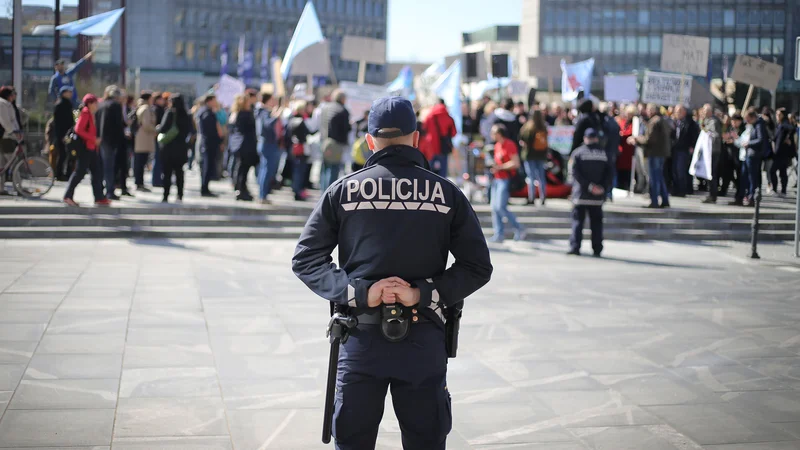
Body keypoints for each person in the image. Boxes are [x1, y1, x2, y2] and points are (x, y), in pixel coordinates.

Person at [291, 96, 492, 450]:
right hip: (423, 340)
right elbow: (477, 267)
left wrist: (358, 292)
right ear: (416, 138)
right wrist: (423, 293)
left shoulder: (344, 190)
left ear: (370, 142)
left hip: (359, 337)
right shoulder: (446, 193)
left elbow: (305, 259)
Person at [568, 128, 612, 257]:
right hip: (597, 197)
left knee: (577, 223)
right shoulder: (604, 154)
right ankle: (597, 248)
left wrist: (589, 186)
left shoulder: (578, 153)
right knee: (597, 224)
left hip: (581, 195)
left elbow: (575, 174)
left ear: (585, 138)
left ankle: (575, 247)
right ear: (596, 139)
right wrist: (601, 187)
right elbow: (609, 174)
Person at [63, 94, 108, 206]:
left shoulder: (91, 113)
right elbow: (79, 129)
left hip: (92, 148)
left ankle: (99, 197)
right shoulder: (85, 112)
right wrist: (93, 139)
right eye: (96, 103)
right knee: (79, 172)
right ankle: (68, 196)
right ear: (90, 103)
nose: (97, 105)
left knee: (97, 172)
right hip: (85, 149)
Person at [489, 124, 526, 243]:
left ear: (499, 134)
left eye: (493, 132)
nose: (491, 135)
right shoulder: (497, 146)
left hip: (505, 179)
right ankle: (499, 234)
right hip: (497, 179)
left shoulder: (509, 144)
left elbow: (516, 163)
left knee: (500, 207)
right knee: (494, 207)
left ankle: (519, 228)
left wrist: (500, 167)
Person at [630, 104, 671, 208]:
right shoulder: (662, 120)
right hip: (661, 153)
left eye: (648, 109)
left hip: (655, 153)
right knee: (659, 177)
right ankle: (665, 199)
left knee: (654, 178)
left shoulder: (654, 121)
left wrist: (636, 139)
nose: (647, 111)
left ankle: (654, 201)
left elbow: (649, 139)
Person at [157, 94, 191, 203]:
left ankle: (165, 195)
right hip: (181, 148)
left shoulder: (170, 113)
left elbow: (162, 128)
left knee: (167, 173)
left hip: (168, 147)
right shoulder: (186, 114)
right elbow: (189, 130)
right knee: (179, 173)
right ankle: (180, 195)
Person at [96, 85, 125, 201]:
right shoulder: (115, 106)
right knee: (110, 167)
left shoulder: (101, 104)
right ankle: (110, 191)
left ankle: (101, 189)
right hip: (111, 140)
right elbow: (118, 124)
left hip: (100, 139)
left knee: (102, 166)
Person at [227, 94, 258, 201]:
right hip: (246, 144)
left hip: (238, 144)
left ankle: (240, 188)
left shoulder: (235, 114)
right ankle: (241, 189)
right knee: (243, 169)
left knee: (240, 168)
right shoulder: (245, 114)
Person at [319, 89, 351, 192]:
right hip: (336, 143)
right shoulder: (342, 110)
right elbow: (346, 128)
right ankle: (329, 194)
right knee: (334, 169)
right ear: (342, 99)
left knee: (324, 168)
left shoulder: (325, 107)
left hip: (324, 141)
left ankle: (322, 192)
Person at [256, 93, 283, 204]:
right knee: (267, 170)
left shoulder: (261, 111)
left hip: (266, 144)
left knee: (265, 169)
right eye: (272, 100)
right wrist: (275, 116)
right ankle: (263, 195)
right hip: (267, 144)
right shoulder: (264, 112)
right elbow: (267, 125)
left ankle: (263, 194)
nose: (274, 103)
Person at [518, 109, 549, 206]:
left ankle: (532, 197)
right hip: (541, 155)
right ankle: (543, 197)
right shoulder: (544, 126)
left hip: (530, 155)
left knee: (531, 177)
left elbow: (523, 139)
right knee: (541, 177)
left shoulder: (528, 127)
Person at [742, 108, 771, 207]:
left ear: (752, 117)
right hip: (752, 154)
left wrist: (748, 143)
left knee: (752, 177)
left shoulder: (759, 125)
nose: (747, 121)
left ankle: (752, 197)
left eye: (747, 119)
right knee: (751, 176)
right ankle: (751, 196)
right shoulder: (756, 125)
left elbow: (760, 139)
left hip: (754, 155)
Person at [285, 102, 314, 201]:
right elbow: (308, 133)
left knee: (296, 171)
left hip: (293, 148)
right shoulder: (301, 121)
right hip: (300, 149)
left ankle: (296, 190)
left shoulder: (290, 120)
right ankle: (297, 192)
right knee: (300, 171)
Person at [670, 105, 700, 197]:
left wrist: (692, 146)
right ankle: (675, 189)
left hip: (684, 149)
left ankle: (682, 190)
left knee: (681, 170)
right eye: (676, 111)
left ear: (684, 112)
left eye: (679, 111)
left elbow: (694, 136)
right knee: (674, 170)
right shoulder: (675, 122)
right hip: (675, 149)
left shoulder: (690, 123)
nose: (677, 113)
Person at [423, 99, 457, 178]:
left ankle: (430, 186)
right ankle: (442, 187)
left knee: (430, 169)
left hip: (431, 146)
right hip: (443, 147)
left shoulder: (429, 116)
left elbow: (424, 128)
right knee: (443, 171)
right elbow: (453, 133)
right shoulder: (449, 118)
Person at [197, 94, 223, 197]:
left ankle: (205, 187)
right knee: (207, 166)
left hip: (208, 142)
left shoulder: (206, 111)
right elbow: (211, 129)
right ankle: (204, 189)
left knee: (208, 166)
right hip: (209, 142)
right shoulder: (206, 112)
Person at [0, 87, 22, 196]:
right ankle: (19, 187)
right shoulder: (3, 104)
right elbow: (5, 121)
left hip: (6, 136)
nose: (14, 96)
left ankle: (1, 188)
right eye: (13, 94)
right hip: (6, 137)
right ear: (8, 95)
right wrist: (14, 133)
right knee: (13, 162)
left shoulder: (7, 104)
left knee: (3, 163)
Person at [133, 92, 157, 192]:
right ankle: (139, 183)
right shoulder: (146, 108)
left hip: (141, 138)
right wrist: (155, 130)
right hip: (144, 138)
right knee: (140, 162)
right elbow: (146, 124)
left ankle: (139, 183)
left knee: (140, 162)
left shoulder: (141, 107)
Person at [52, 86, 75, 181]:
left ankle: (66, 173)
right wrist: (62, 135)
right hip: (63, 134)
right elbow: (58, 123)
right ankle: (59, 173)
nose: (71, 93)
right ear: (64, 93)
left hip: (67, 133)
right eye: (69, 92)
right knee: (63, 154)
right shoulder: (60, 104)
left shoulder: (67, 103)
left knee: (67, 154)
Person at [770, 108, 794, 197]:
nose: (777, 116)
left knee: (776, 171)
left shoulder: (784, 125)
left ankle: (780, 190)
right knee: (781, 172)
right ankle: (780, 190)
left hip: (782, 153)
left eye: (779, 114)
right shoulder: (779, 125)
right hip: (778, 153)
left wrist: (788, 138)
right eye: (776, 114)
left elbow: (792, 129)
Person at [616, 105, 636, 191]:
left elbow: (630, 133)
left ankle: (626, 185)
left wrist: (623, 134)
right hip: (621, 150)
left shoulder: (635, 124)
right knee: (619, 169)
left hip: (629, 151)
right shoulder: (622, 121)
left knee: (627, 170)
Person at [152, 92, 168, 187]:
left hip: (158, 136)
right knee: (157, 158)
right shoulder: (157, 109)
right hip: (158, 136)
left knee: (158, 159)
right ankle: (156, 180)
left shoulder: (159, 109)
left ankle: (157, 179)